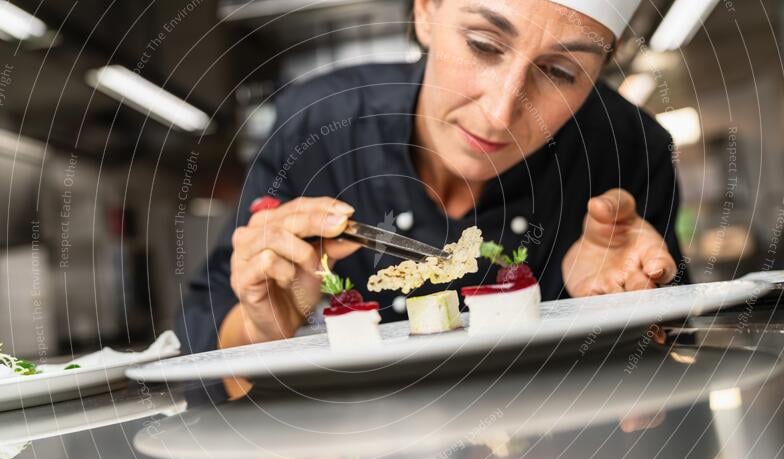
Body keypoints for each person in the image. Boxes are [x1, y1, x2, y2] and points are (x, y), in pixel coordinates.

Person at [176, 0, 686, 355]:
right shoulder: (317, 126)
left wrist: (623, 315)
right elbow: (197, 332)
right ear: (426, 11)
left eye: (560, 72)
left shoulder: (630, 150)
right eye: (484, 44)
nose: (501, 111)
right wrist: (263, 326)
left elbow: (676, 358)